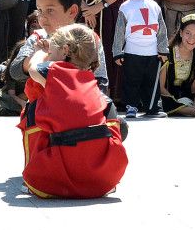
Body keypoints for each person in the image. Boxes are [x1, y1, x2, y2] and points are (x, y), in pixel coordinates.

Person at [19, 23, 128, 199]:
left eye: (53, 51)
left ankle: (35, 179)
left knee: (32, 109)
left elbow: (32, 68)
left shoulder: (55, 70)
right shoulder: (91, 79)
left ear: (65, 50)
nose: (50, 55)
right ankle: (101, 174)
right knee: (107, 108)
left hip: (58, 176)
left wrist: (41, 52)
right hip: (103, 179)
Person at [112, 0, 170, 118]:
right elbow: (119, 31)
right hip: (132, 52)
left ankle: (153, 108)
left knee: (151, 81)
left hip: (151, 53)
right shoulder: (125, 7)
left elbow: (161, 30)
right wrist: (118, 52)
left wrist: (163, 50)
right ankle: (131, 107)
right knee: (131, 81)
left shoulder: (154, 6)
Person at [159, 13, 195, 117]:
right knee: (165, 103)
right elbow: (161, 88)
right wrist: (194, 110)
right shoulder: (167, 53)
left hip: (185, 98)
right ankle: (193, 112)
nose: (191, 39)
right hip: (166, 97)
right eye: (188, 33)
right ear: (180, 33)